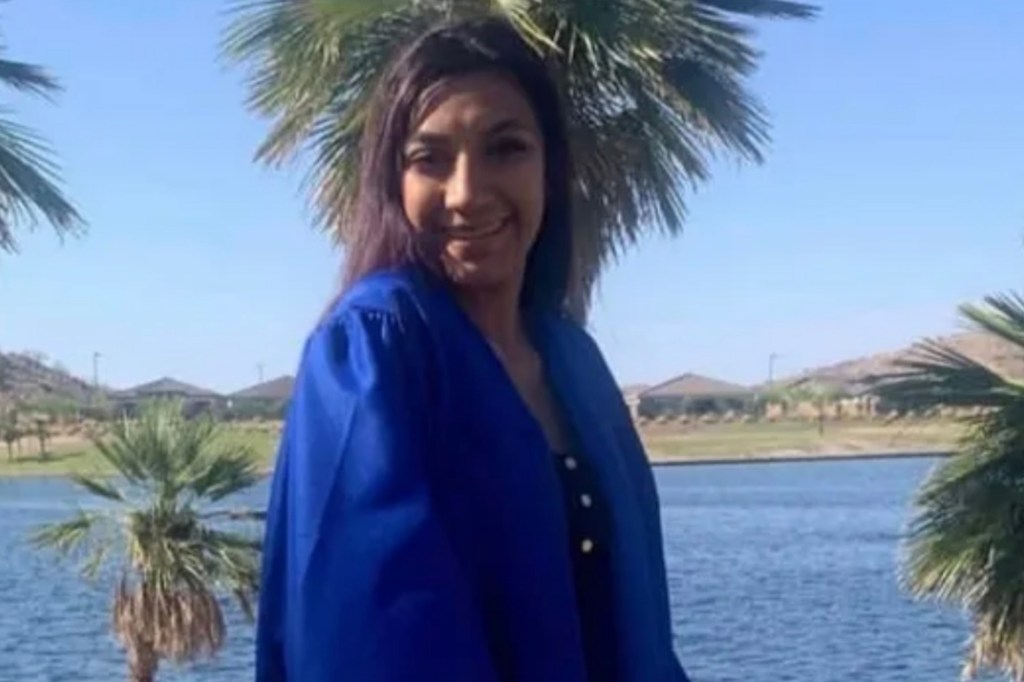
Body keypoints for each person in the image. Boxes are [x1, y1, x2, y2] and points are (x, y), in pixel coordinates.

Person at [255, 17, 689, 682]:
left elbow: (639, 629)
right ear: (393, 183)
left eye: (505, 148)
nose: (466, 192)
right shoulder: (374, 349)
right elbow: (373, 639)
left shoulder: (573, 360)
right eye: (429, 159)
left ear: (550, 168)